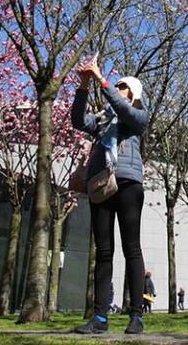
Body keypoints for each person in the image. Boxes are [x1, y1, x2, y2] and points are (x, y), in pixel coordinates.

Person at [72, 58, 149, 335]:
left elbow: (125, 110)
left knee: (132, 249)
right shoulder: (103, 120)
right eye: (115, 85)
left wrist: (102, 81)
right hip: (101, 184)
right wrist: (83, 84)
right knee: (104, 252)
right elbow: (78, 120)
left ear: (134, 92)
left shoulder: (137, 114)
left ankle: (136, 315)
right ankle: (100, 317)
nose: (117, 88)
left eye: (123, 86)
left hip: (128, 183)